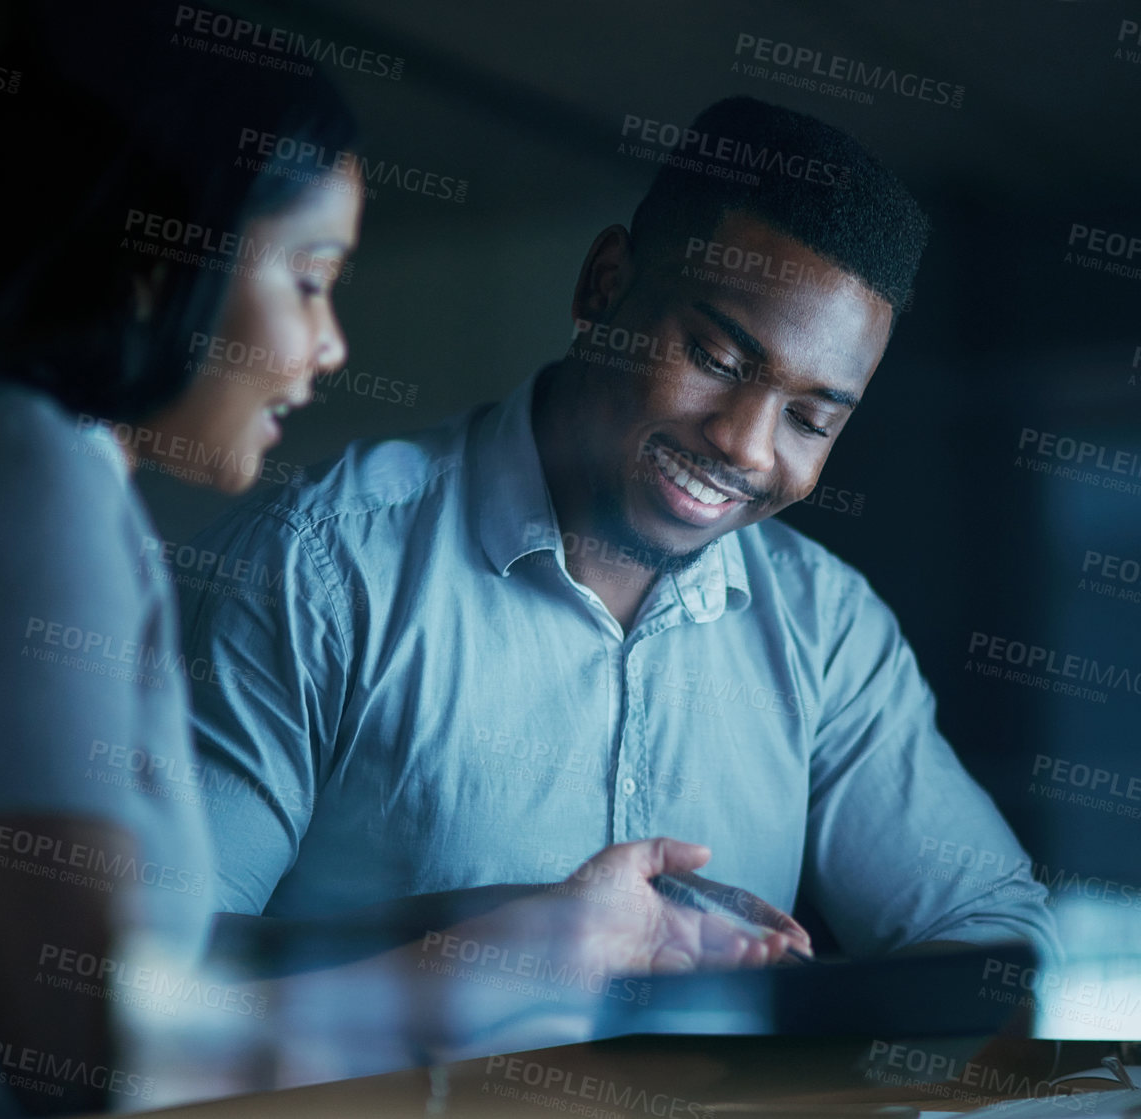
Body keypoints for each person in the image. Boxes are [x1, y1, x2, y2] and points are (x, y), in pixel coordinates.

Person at [0, 15, 801, 1116]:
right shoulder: (21, 473)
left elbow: (161, 979)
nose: (330, 346)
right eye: (309, 279)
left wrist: (539, 924)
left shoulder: (33, 479)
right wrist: (517, 969)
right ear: (158, 264)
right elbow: (100, 1050)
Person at [178, 96, 1061, 966]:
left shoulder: (827, 630)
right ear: (604, 286)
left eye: (809, 419)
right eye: (715, 360)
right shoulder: (315, 566)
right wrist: (496, 941)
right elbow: (146, 980)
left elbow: (995, 937)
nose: (745, 446)